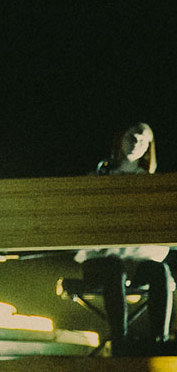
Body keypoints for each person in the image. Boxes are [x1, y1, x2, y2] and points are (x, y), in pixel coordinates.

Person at [76, 122, 172, 349]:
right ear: (120, 139)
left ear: (148, 148)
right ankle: (120, 342)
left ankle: (160, 340)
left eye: (142, 140)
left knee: (160, 271)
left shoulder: (154, 185)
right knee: (114, 268)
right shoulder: (98, 178)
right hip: (102, 262)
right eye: (132, 137)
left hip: (138, 262)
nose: (136, 143)